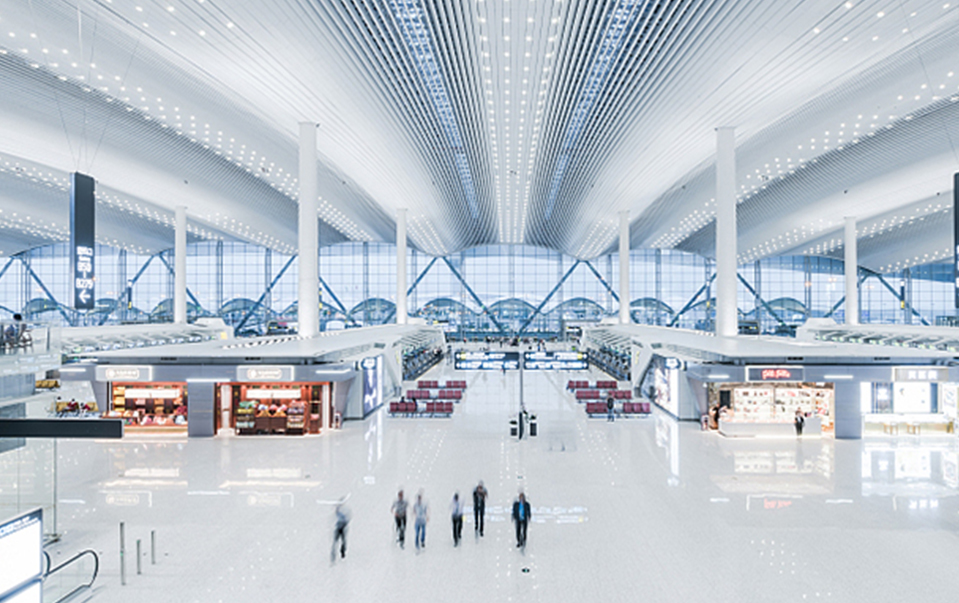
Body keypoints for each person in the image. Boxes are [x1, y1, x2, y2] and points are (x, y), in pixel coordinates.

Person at [331, 499, 350, 563]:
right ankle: (335, 554)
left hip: (342, 527)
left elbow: (346, 518)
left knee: (342, 540)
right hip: (339, 527)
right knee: (337, 541)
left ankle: (342, 552)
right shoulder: (340, 510)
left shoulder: (344, 510)